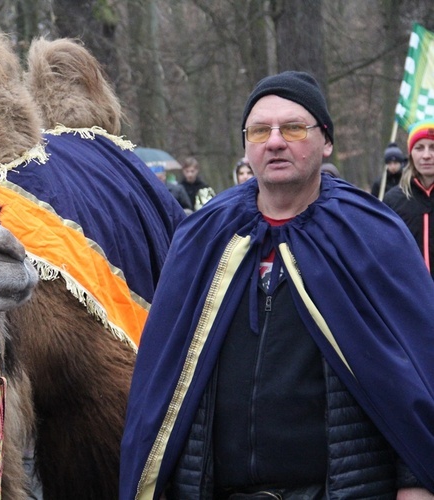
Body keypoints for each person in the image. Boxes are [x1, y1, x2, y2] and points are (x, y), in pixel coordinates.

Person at [120, 71, 434, 499]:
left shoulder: (372, 233)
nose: (274, 141)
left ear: (326, 142)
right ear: (246, 145)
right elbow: (162, 379)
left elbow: (413, 372)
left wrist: (416, 483)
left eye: (293, 128)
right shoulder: (204, 236)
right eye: (259, 130)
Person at [383, 120, 434, 279]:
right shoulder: (393, 200)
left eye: (433, 147)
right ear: (410, 154)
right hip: (411, 297)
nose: (426, 155)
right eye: (419, 148)